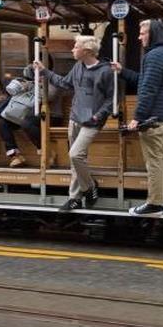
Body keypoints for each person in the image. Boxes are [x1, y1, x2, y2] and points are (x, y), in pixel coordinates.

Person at [33, 35, 114, 212]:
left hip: (92, 122)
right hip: (75, 118)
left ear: (86, 51)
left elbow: (111, 98)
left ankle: (90, 187)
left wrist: (97, 116)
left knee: (75, 155)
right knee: (76, 160)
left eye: (75, 47)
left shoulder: (106, 71)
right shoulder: (78, 66)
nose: (72, 49)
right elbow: (64, 83)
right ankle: (74, 198)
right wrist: (44, 71)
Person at [113, 20, 163, 216]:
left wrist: (138, 117)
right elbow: (145, 80)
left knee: (154, 162)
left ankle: (154, 203)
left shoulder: (154, 55)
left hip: (153, 119)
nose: (139, 37)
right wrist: (122, 71)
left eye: (143, 33)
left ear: (154, 34)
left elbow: (148, 89)